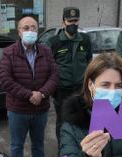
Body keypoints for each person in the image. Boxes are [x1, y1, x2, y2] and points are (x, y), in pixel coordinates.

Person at [0, 16, 59, 157]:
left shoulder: (46, 51)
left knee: (38, 145)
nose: (30, 31)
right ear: (19, 31)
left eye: (33, 28)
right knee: (16, 145)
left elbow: (54, 75)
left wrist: (42, 93)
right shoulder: (9, 52)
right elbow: (6, 80)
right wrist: (30, 95)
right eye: (26, 28)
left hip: (41, 110)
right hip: (18, 110)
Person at [46, 7, 92, 144]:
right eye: (69, 20)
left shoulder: (85, 40)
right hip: (62, 90)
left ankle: (80, 146)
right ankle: (63, 149)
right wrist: (53, 89)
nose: (73, 24)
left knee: (82, 119)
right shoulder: (54, 42)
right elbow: (48, 67)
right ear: (63, 23)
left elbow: (89, 62)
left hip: (80, 89)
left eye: (75, 20)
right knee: (62, 121)